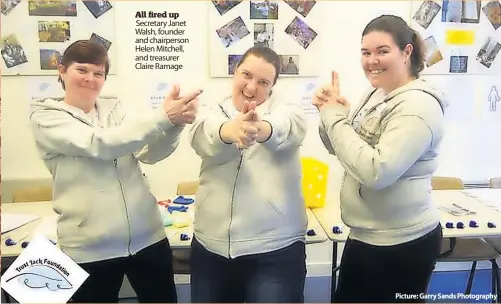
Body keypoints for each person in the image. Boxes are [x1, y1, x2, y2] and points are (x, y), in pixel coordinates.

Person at [29, 39, 202, 303]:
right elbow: (100, 144)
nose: (91, 78)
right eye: (82, 70)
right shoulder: (46, 117)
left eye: (99, 73)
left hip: (149, 238)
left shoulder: (116, 110)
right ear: (62, 71)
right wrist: (163, 117)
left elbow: (150, 153)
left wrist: (175, 125)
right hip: (89, 248)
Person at [313, 15, 446, 302]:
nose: (372, 60)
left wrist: (335, 118)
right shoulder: (375, 93)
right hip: (366, 235)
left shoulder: (418, 106)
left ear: (406, 51)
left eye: (382, 51)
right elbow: (342, 150)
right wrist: (331, 116)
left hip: (401, 243)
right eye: (366, 52)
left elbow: (376, 172)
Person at [188, 46, 308, 303]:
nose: (251, 88)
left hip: (275, 249)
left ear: (273, 86)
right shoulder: (211, 109)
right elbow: (200, 135)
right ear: (235, 71)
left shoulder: (288, 108)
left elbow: (288, 126)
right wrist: (229, 132)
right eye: (246, 75)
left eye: (263, 82)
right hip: (211, 248)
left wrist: (259, 129)